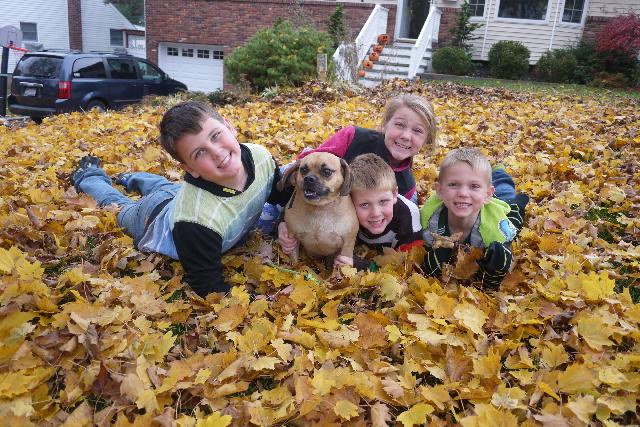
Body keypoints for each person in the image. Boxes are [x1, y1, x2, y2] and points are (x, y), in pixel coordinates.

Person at [70, 101, 291, 297]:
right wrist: (263, 300)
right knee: (119, 205)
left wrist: (285, 222)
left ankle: (128, 177)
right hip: (150, 217)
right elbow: (208, 286)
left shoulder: (261, 157)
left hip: (179, 194)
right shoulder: (196, 221)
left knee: (167, 189)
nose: (216, 152)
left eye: (216, 135)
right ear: (188, 169)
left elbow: (280, 196)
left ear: (229, 126)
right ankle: (88, 176)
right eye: (199, 153)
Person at [266, 93, 437, 238]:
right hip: (301, 190)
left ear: (426, 139)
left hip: (335, 217)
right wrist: (284, 220)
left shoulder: (407, 188)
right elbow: (306, 169)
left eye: (417, 131)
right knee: (293, 174)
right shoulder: (353, 137)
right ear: (385, 124)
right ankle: (270, 206)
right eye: (399, 125)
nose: (406, 136)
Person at [279, 153, 424, 269]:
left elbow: (411, 263)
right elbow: (288, 208)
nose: (375, 213)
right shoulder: (349, 197)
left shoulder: (408, 219)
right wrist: (282, 225)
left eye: (326, 172)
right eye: (304, 171)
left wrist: (362, 266)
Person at [420, 148, 529, 288]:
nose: (463, 193)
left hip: (492, 212)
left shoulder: (494, 232)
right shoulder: (429, 222)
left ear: (488, 194)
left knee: (507, 194)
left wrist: (493, 269)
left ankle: (499, 172)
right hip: (477, 202)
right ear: (439, 191)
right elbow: (425, 266)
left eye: (474, 186)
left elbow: (495, 276)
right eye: (453, 184)